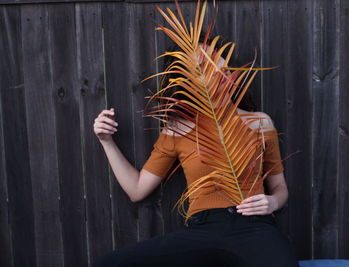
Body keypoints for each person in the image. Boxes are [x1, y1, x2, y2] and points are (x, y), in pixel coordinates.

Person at [92, 40, 300, 267]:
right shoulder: (178, 129)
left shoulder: (260, 123)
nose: (216, 66)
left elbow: (280, 188)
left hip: (255, 227)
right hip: (203, 228)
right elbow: (137, 189)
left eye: (216, 58)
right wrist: (106, 141)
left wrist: (272, 202)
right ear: (189, 81)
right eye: (203, 65)